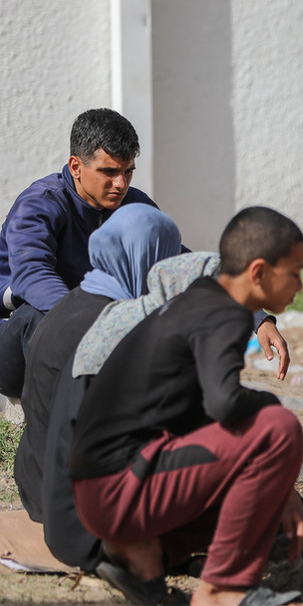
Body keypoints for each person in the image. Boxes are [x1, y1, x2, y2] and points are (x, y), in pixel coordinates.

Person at [69, 207, 303, 606]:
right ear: (258, 272)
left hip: (99, 489)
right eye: (294, 272)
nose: (300, 285)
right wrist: (268, 401)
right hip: (117, 490)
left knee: (261, 497)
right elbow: (223, 403)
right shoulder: (223, 315)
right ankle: (223, 591)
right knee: (277, 427)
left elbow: (199, 408)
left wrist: (280, 488)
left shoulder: (200, 298)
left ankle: (142, 557)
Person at [0, 108, 291, 398]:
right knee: (37, 312)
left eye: (128, 172)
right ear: (76, 166)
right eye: (109, 172)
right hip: (17, 340)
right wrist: (99, 327)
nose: (121, 184)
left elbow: (183, 266)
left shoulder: (133, 205)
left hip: (91, 332)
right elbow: (33, 275)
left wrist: (257, 317)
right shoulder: (40, 205)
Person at [14, 203, 182, 524]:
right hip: (74, 505)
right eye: (165, 258)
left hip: (35, 485)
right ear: (145, 258)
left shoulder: (72, 302)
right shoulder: (114, 327)